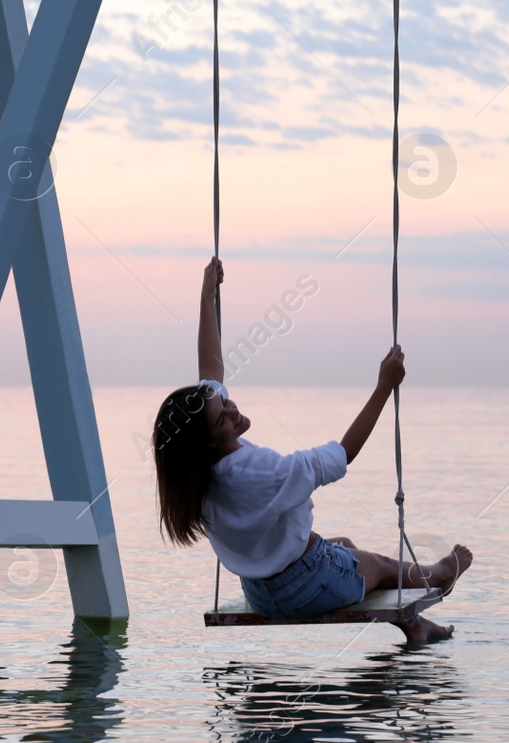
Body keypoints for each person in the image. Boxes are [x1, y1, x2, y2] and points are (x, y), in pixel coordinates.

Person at [151, 257, 472, 645]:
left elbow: (210, 374)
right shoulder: (260, 471)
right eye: (224, 418)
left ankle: (415, 628)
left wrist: (206, 297)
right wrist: (384, 386)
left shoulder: (199, 471)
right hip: (304, 588)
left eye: (225, 403)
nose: (232, 408)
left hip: (261, 591)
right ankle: (437, 574)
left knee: (345, 547)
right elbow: (342, 455)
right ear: (210, 442)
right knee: (380, 566)